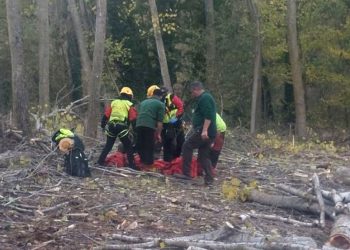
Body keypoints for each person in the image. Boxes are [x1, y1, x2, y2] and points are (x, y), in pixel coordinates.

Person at [178, 81, 217, 185]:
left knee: (187, 146)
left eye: (192, 92)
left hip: (204, 131)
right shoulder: (204, 98)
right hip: (209, 131)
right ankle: (209, 179)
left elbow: (208, 115)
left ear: (196, 89)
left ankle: (186, 174)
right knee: (203, 156)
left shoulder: (205, 98)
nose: (192, 94)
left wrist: (204, 130)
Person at [97, 87, 137, 169]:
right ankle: (132, 166)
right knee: (128, 146)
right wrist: (135, 131)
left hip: (111, 126)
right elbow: (133, 119)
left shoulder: (114, 102)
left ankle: (100, 162)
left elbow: (106, 115)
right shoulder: (129, 104)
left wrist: (103, 126)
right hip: (121, 127)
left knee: (108, 146)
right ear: (130, 96)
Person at [136, 88, 165, 168]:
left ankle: (142, 161)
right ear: (161, 96)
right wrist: (158, 134)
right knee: (149, 145)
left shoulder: (143, 102)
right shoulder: (160, 104)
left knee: (140, 144)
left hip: (139, 124)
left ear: (152, 94)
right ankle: (149, 164)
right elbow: (160, 122)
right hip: (149, 126)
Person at [160, 86, 185, 162]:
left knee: (180, 141)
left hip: (175, 122)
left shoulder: (172, 97)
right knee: (167, 143)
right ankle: (167, 161)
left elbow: (181, 107)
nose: (163, 94)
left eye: (164, 93)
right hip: (165, 124)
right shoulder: (158, 100)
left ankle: (176, 158)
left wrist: (175, 119)